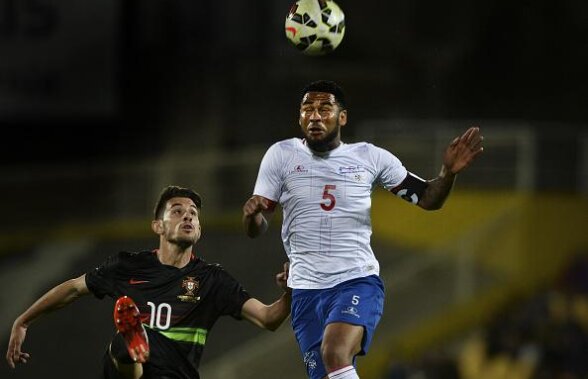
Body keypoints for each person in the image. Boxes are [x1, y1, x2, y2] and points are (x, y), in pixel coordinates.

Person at [242, 80, 484, 379]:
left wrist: (447, 173)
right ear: (299, 117)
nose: (315, 116)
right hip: (304, 291)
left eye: (324, 108)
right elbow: (257, 228)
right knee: (329, 372)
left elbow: (427, 198)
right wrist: (252, 216)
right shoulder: (281, 155)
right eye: (308, 109)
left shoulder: (370, 157)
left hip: (354, 282)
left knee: (334, 352)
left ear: (342, 117)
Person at [7, 185, 292, 378]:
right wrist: (24, 320)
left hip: (175, 374)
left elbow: (268, 318)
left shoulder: (213, 280)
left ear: (200, 229)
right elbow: (72, 288)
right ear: (158, 226)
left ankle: (136, 341)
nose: (188, 216)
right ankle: (134, 343)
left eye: (193, 212)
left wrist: (292, 290)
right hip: (125, 370)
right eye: (178, 211)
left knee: (131, 343)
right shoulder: (127, 266)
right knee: (122, 346)